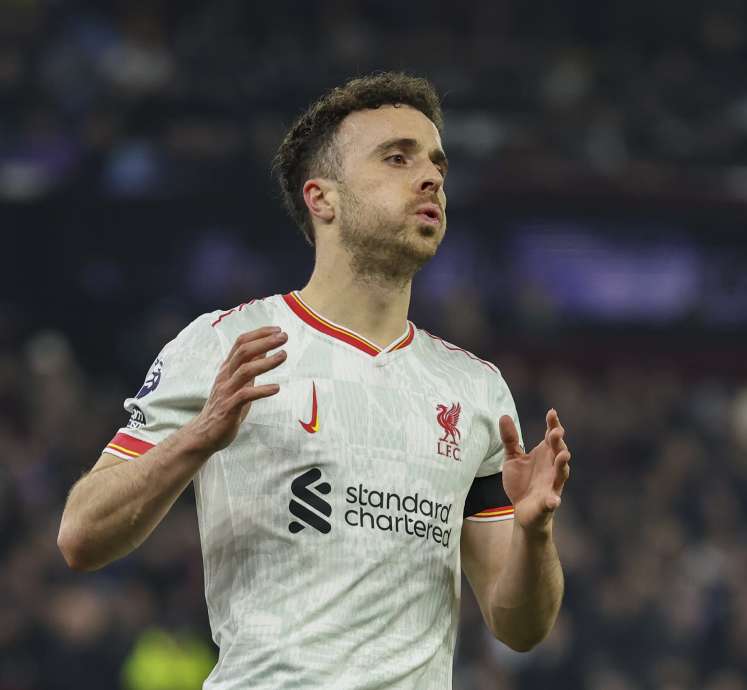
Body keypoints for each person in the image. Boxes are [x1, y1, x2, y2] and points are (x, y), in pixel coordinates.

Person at [56, 72, 571, 689]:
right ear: (321, 198)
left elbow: (519, 627)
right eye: (396, 159)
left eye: (436, 162)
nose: (431, 177)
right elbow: (81, 536)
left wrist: (534, 532)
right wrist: (199, 437)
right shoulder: (224, 344)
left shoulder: (476, 389)